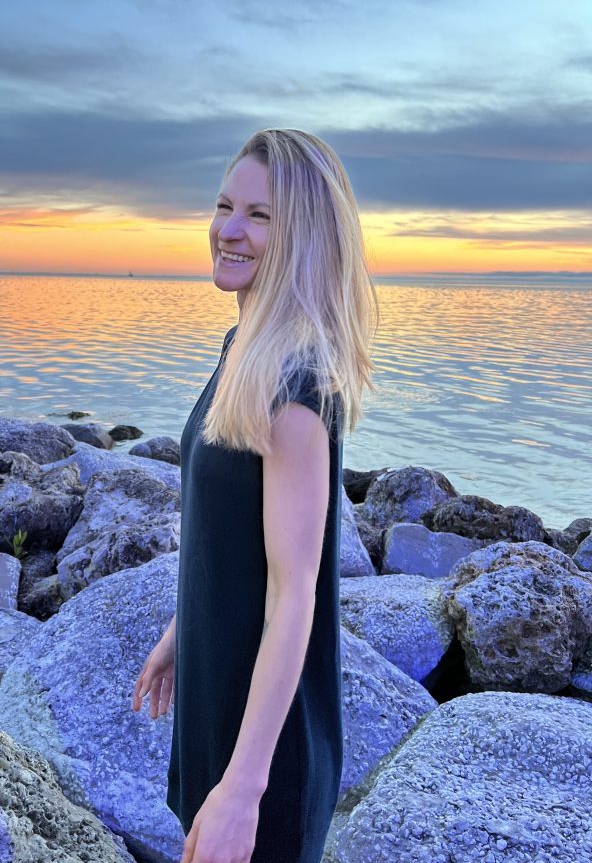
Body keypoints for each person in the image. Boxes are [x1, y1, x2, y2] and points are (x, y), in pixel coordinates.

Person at [131, 128, 379, 863]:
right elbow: (231, 529)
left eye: (260, 216)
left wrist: (244, 788)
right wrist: (184, 633)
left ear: (303, 236)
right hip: (220, 691)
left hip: (266, 741)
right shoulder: (245, 349)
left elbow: (295, 594)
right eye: (223, 205)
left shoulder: (296, 391)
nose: (228, 230)